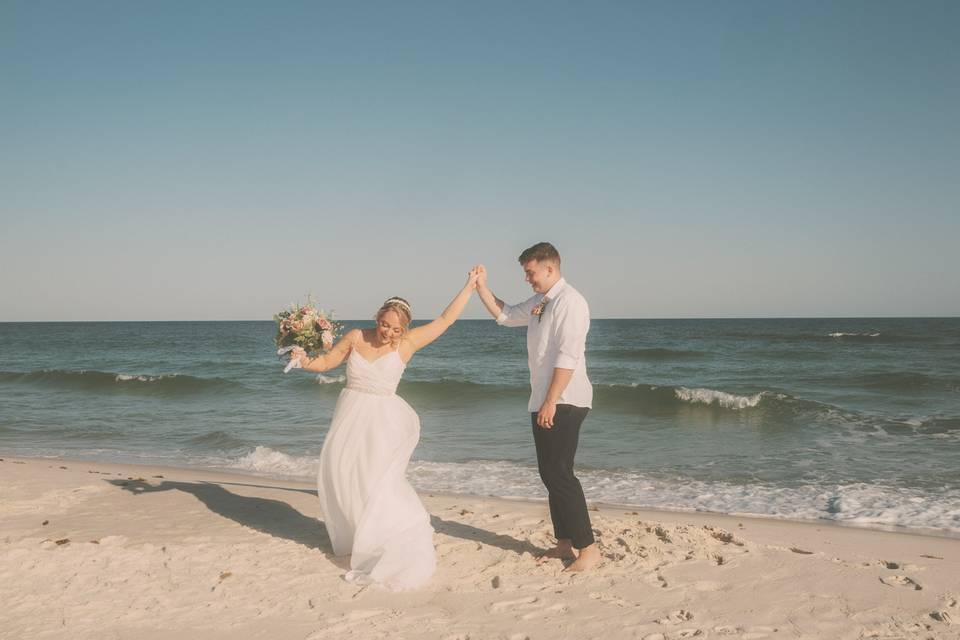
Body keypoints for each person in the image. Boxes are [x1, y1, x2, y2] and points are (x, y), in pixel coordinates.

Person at [288, 267, 480, 589]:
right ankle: (355, 534)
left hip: (384, 420)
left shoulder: (406, 345)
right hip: (350, 414)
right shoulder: (355, 337)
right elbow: (327, 362)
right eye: (383, 324)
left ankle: (384, 536)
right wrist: (304, 360)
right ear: (377, 317)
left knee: (377, 479)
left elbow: (445, 320)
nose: (387, 332)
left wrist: (470, 287)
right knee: (342, 473)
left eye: (394, 328)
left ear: (404, 329)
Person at [475, 243, 600, 572]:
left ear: (550, 268)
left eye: (530, 272)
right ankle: (564, 543)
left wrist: (551, 401)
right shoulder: (542, 300)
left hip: (565, 400)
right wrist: (481, 287)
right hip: (544, 399)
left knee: (560, 475)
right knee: (550, 474)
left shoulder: (571, 302)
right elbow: (506, 315)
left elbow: (568, 357)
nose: (527, 278)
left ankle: (588, 549)